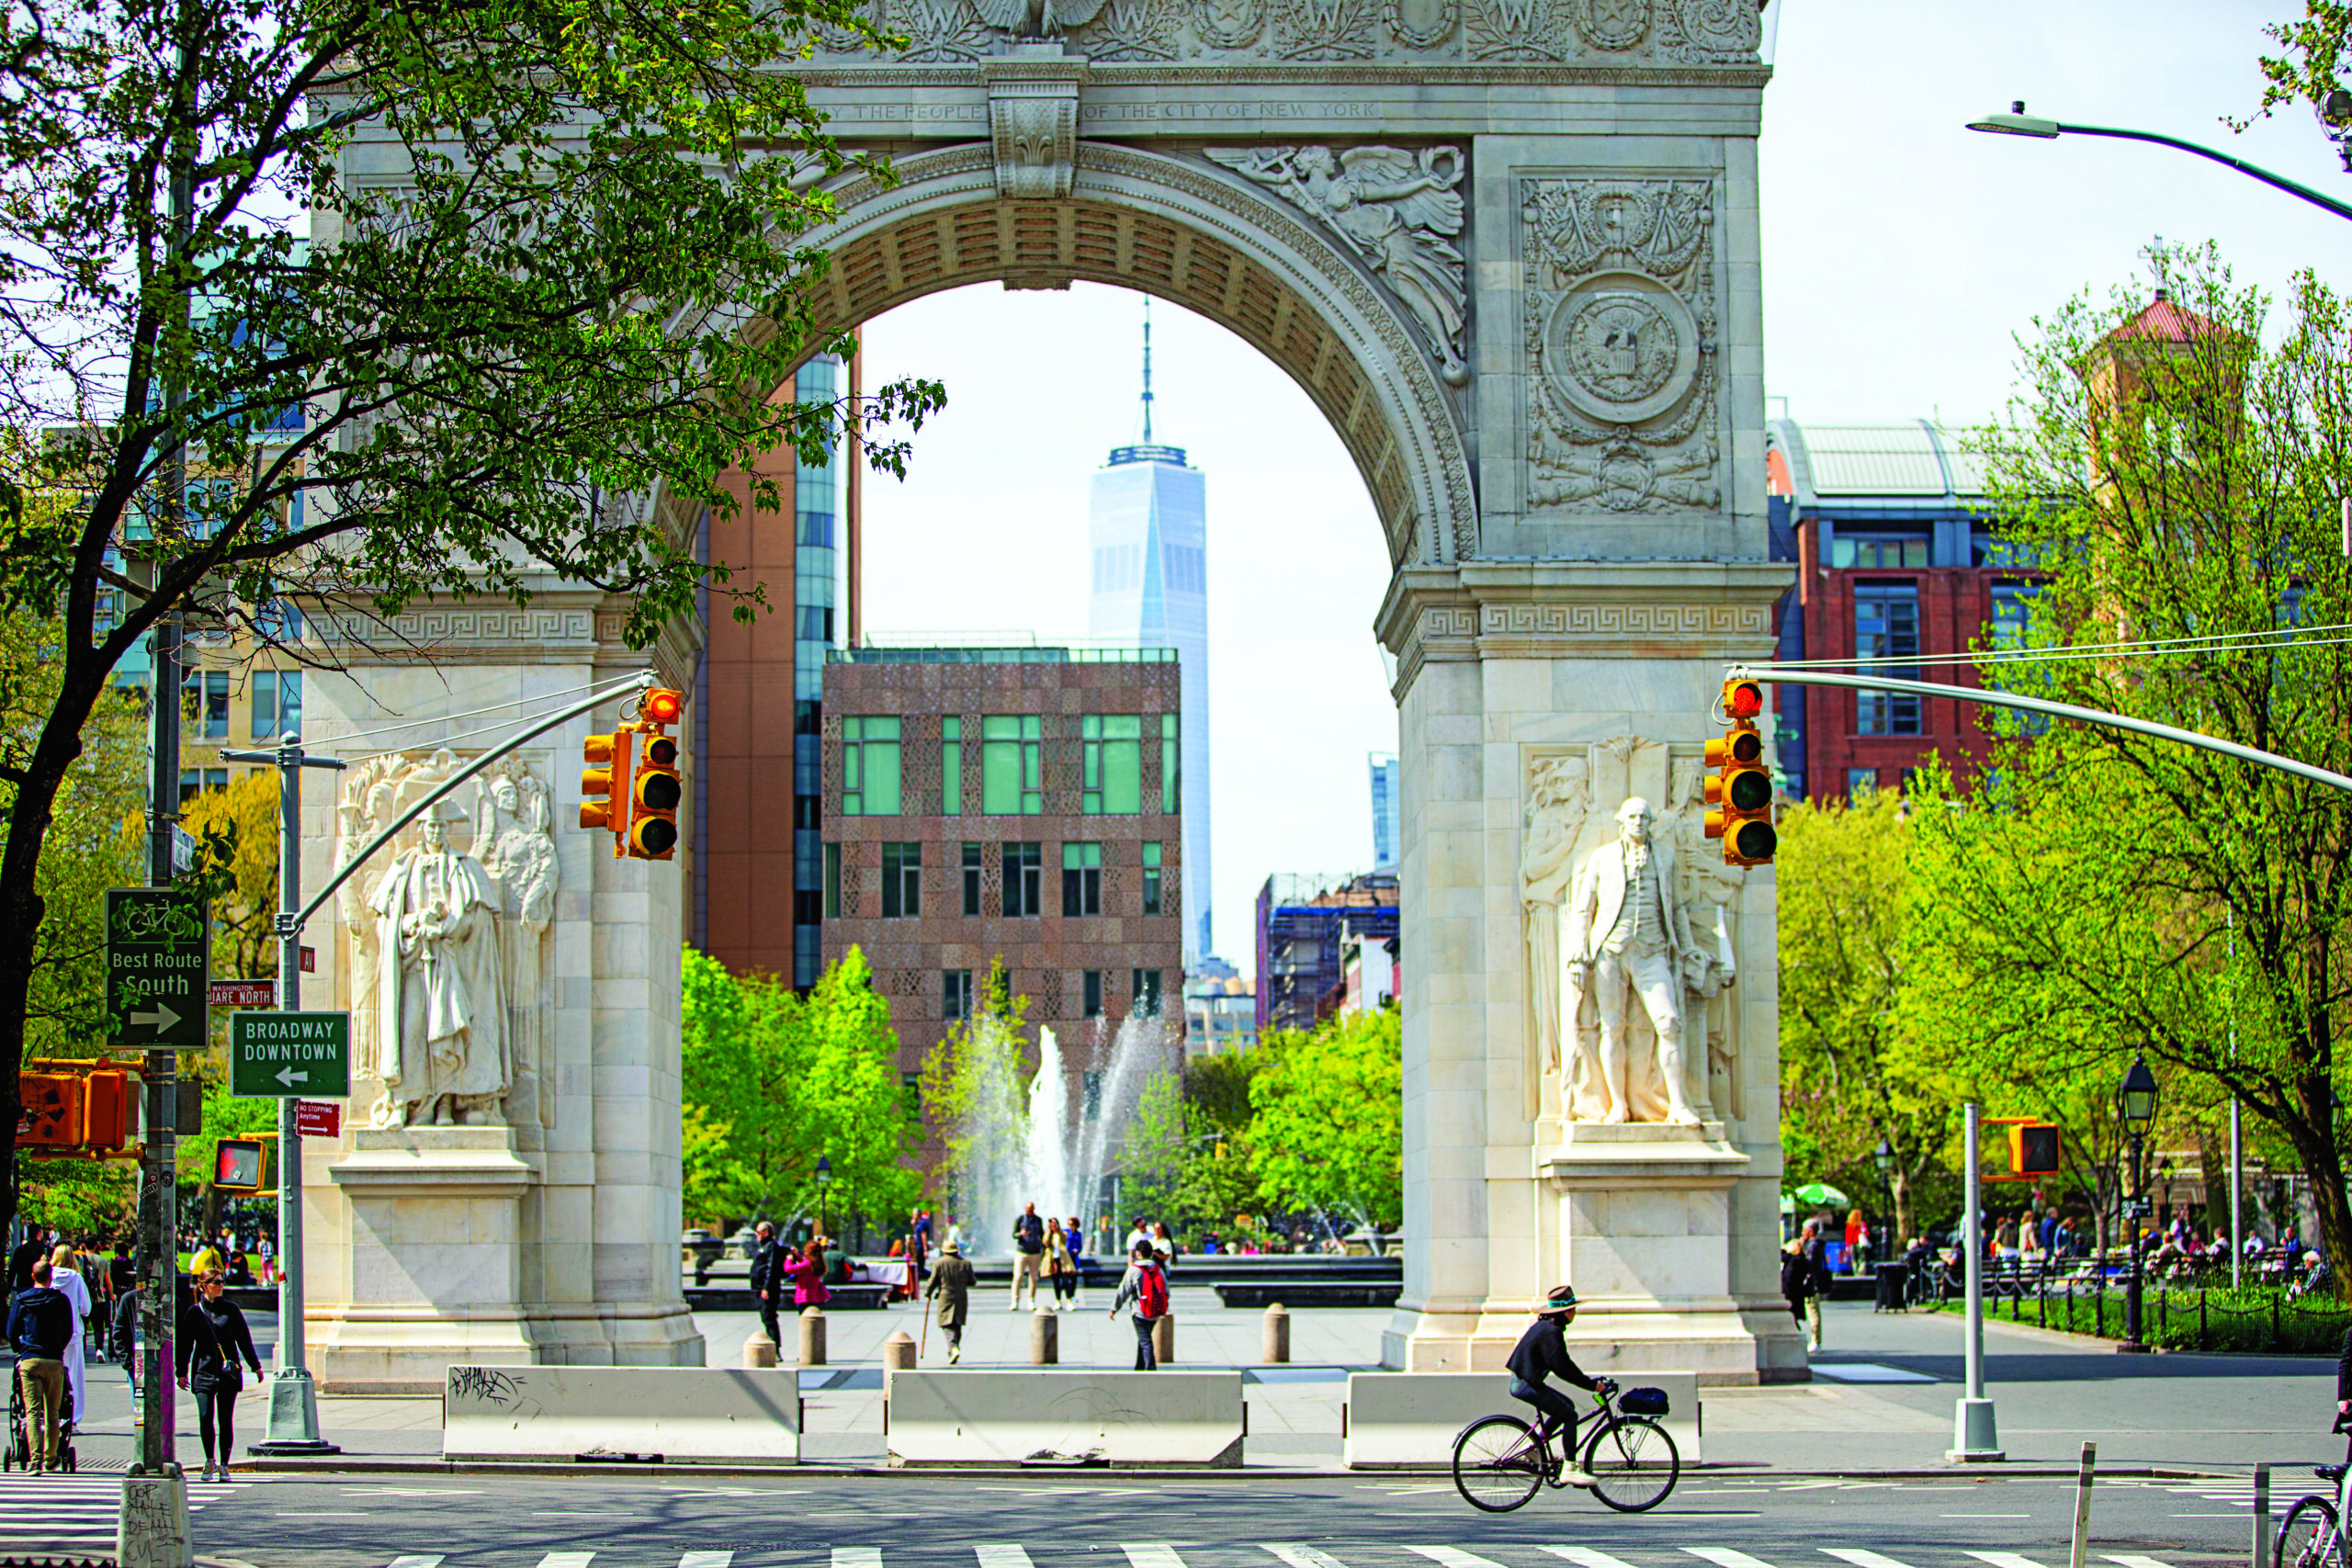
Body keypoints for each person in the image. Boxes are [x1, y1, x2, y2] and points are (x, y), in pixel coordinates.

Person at [1506, 1284, 1611, 1487]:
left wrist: (1589, 1382)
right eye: (1574, 1309)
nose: (1576, 1313)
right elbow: (1563, 1368)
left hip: (1524, 1381)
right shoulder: (1551, 1333)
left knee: (1567, 1406)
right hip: (1525, 1384)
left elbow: (1563, 1365)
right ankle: (1570, 1468)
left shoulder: (1546, 1327)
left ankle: (1535, 1447)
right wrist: (1591, 1385)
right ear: (1566, 1312)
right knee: (1570, 1416)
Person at [176, 1267, 265, 1482]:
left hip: (228, 1373)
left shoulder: (231, 1310)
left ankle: (225, 1464)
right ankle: (209, 1460)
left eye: (222, 1281)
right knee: (206, 1417)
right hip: (203, 1372)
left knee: (225, 1420)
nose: (220, 1285)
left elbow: (244, 1339)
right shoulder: (195, 1312)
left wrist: (255, 1365)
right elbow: (185, 1344)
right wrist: (181, 1372)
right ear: (204, 1285)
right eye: (216, 1282)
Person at [8, 1260, 74, 1473]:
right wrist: (58, 1349)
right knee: (52, 1412)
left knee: (32, 1412)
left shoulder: (22, 1299)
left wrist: (21, 1350)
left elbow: (11, 1331)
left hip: (30, 1360)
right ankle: (50, 1457)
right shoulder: (61, 1300)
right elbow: (68, 1330)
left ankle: (35, 1460)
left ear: (32, 1276)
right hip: (54, 1360)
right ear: (50, 1276)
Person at [46, 1244, 92, 1438]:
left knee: (50, 1376)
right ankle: (72, 1418)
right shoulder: (76, 1278)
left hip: (49, 1335)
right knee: (74, 1376)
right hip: (73, 1334)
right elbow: (86, 1308)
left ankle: (50, 1415)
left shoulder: (46, 1276)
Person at [1110, 1240, 1169, 1371]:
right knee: (1143, 1337)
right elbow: (1166, 1290)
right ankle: (1139, 1367)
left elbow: (1123, 1291)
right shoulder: (1158, 1269)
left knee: (1145, 1341)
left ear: (1138, 1253)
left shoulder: (1134, 1270)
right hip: (1155, 1311)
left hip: (1140, 1311)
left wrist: (1114, 1309)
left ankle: (1151, 1369)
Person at [925, 1238, 975, 1363]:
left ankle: (953, 1348)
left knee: (946, 1324)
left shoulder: (939, 1263)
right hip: (961, 1296)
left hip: (945, 1295)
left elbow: (932, 1281)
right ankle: (954, 1348)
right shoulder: (966, 1263)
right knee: (957, 1323)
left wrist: (928, 1293)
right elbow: (972, 1281)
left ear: (944, 1251)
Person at [747, 1220, 785, 1350]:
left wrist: (766, 1288)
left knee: (769, 1319)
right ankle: (773, 1347)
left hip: (767, 1290)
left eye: (758, 1232)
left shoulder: (771, 1246)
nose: (756, 1235)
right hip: (760, 1289)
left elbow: (772, 1267)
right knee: (766, 1318)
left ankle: (775, 1349)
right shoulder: (766, 1246)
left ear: (765, 1232)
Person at [1011, 1202, 1046, 1310]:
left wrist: (1044, 1248)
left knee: (1034, 1278)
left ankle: (1031, 1300)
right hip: (1022, 1252)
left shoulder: (1038, 1220)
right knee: (1018, 1276)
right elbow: (1013, 1234)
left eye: (1031, 1210)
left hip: (1035, 1252)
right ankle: (1015, 1300)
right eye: (1027, 1210)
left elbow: (1042, 1234)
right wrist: (1020, 1234)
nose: (1029, 1212)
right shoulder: (1020, 1219)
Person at [1044, 1218, 1078, 1312]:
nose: (1054, 1226)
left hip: (1063, 1260)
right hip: (1053, 1260)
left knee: (1066, 1280)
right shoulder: (1049, 1234)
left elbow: (1064, 1239)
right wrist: (1049, 1231)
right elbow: (1045, 1242)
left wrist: (1058, 1231)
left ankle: (1069, 1301)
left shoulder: (1062, 1233)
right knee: (1056, 1281)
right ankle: (1058, 1300)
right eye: (1052, 1224)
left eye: (1055, 1224)